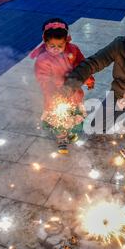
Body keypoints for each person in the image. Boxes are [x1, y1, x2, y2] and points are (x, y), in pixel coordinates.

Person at [30, 18, 95, 153]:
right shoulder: (43, 59)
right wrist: (54, 94)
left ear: (67, 40)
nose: (56, 49)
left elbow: (82, 65)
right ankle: (61, 138)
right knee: (59, 117)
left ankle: (70, 131)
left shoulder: (73, 50)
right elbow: (44, 80)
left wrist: (88, 79)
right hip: (55, 95)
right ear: (45, 41)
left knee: (72, 114)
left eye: (60, 45)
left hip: (73, 91)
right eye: (52, 46)